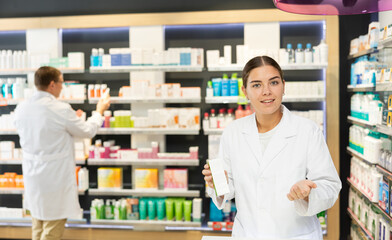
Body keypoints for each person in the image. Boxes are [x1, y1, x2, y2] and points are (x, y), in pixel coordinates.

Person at [202, 56, 341, 239]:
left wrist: (307, 194)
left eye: (273, 82)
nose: (266, 91)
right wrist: (219, 184)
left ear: (283, 86)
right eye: (257, 85)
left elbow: (330, 186)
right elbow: (229, 189)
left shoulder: (307, 131)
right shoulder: (233, 132)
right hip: (249, 234)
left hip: (295, 235)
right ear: (245, 91)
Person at [14, 66, 110, 240]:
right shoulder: (60, 109)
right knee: (52, 230)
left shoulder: (22, 108)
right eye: (61, 82)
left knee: (38, 225)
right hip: (54, 178)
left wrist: (72, 118)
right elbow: (87, 131)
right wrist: (99, 111)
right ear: (52, 85)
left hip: (33, 176)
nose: (62, 86)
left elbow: (45, 130)